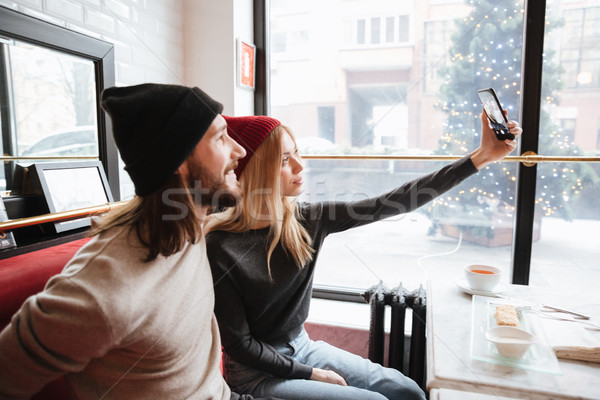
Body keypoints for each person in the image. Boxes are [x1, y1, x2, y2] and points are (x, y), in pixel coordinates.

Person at [205, 112, 522, 400]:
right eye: (285, 159)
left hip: (300, 346)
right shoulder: (220, 246)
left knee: (407, 390)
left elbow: (395, 201)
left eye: (297, 152)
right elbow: (240, 346)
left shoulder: (310, 219)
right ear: (256, 171)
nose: (301, 166)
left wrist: (481, 157)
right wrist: (311, 373)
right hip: (254, 373)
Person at [0, 83, 275, 400]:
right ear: (178, 159)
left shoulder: (191, 220)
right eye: (220, 137)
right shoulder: (103, 290)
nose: (238, 150)